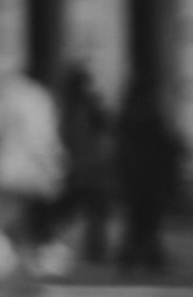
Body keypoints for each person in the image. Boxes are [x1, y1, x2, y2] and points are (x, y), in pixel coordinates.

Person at [0, 71, 70, 279]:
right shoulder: (38, 100)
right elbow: (39, 137)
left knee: (33, 211)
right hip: (30, 168)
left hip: (12, 165)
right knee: (40, 209)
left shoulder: (13, 97)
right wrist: (54, 164)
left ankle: (31, 252)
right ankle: (9, 245)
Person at [113, 79, 184, 274]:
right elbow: (169, 149)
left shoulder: (128, 119)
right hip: (147, 180)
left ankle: (140, 258)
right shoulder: (151, 119)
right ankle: (146, 258)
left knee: (140, 222)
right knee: (145, 222)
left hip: (138, 180)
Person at [54, 64, 111, 263]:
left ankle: (93, 251)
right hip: (90, 169)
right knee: (94, 211)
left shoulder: (66, 108)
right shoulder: (88, 105)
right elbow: (105, 130)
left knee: (70, 211)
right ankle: (95, 251)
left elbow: (63, 137)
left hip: (77, 169)